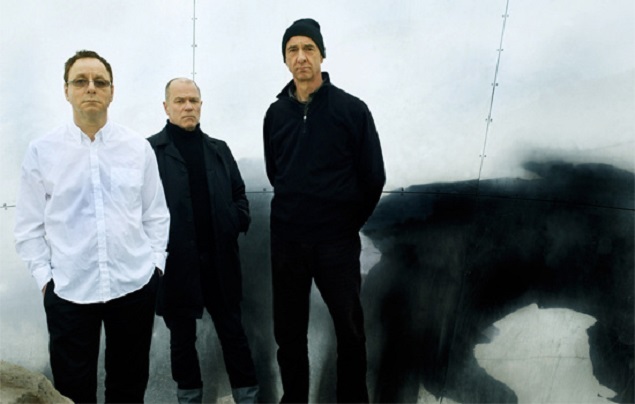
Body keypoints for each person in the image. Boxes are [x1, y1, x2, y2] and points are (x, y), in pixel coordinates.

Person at [14, 50, 170, 403]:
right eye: (80, 81)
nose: (91, 88)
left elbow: (155, 214)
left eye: (100, 82)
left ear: (112, 91)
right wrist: (45, 281)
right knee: (71, 391)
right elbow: (28, 226)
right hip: (69, 289)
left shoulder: (137, 149)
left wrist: (155, 268)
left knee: (128, 388)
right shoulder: (42, 151)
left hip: (133, 285)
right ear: (66, 90)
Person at [263, 18, 386, 403]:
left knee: (349, 330)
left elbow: (373, 177)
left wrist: (345, 223)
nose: (301, 57)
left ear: (321, 55)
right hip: (288, 242)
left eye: (308, 48)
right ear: (285, 60)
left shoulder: (351, 110)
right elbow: (275, 171)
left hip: (336, 242)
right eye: (293, 50)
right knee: (289, 333)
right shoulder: (275, 114)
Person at [148, 78, 259, 404]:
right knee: (182, 342)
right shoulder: (151, 152)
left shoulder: (218, 149)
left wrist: (234, 220)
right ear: (166, 107)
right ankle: (189, 400)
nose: (188, 107)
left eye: (193, 101)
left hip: (220, 263)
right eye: (180, 101)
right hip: (176, 266)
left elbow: (239, 194)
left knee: (234, 336)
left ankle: (248, 398)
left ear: (201, 105)